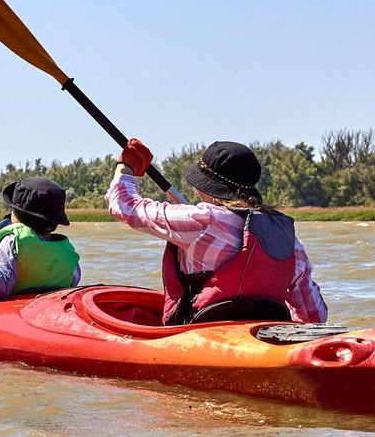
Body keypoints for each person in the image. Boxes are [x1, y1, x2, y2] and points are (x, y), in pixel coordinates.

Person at [106, 139, 328, 325]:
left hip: (200, 333)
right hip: (261, 336)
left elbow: (124, 205)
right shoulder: (288, 237)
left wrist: (126, 167)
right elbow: (313, 316)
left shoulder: (202, 220)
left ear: (206, 186)